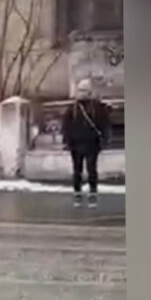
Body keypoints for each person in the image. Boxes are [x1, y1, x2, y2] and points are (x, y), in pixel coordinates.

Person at [61, 78, 113, 208]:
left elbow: (104, 124)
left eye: (84, 90)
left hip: (91, 144)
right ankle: (78, 193)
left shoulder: (97, 107)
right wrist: (67, 141)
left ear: (89, 92)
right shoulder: (72, 108)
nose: (81, 93)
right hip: (76, 144)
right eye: (80, 90)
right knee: (77, 170)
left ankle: (92, 193)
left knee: (91, 170)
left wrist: (104, 140)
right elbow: (66, 126)